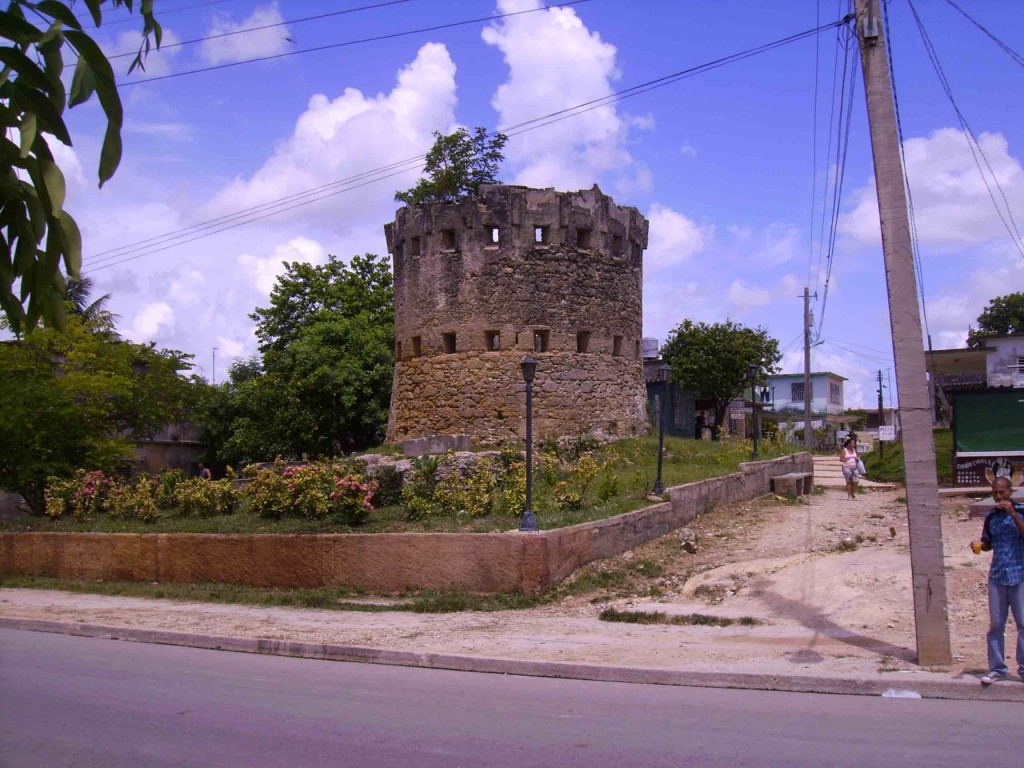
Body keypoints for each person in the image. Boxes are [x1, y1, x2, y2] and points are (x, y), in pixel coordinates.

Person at [971, 476, 1024, 685]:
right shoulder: (991, 516)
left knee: (1022, 623)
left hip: (1020, 575)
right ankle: (997, 668)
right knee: (996, 624)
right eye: (995, 492)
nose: (998, 496)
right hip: (998, 577)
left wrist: (1012, 514)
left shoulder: (1020, 512)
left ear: (1010, 492)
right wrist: (979, 546)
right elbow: (988, 542)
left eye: (1002, 492)